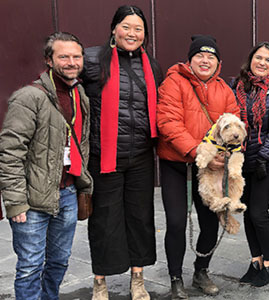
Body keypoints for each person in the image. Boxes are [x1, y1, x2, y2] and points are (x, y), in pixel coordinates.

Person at [0, 32, 92, 300]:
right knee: (29, 267)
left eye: (76, 56)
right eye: (63, 56)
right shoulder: (28, 97)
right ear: (49, 60)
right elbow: (9, 152)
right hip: (33, 199)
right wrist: (16, 202)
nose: (71, 62)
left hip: (67, 193)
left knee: (59, 262)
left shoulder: (79, 94)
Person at [80, 5, 163, 300]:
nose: (132, 33)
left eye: (138, 29)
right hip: (104, 157)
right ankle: (100, 281)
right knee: (104, 219)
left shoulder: (151, 65)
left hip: (140, 156)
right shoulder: (90, 59)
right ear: (114, 28)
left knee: (141, 219)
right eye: (126, 27)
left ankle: (137, 279)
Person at [157, 35, 239, 298]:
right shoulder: (173, 82)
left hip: (211, 168)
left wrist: (225, 155)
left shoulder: (224, 90)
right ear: (189, 60)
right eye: (200, 56)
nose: (205, 61)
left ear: (219, 62)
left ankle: (201, 271)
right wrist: (197, 151)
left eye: (211, 57)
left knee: (210, 223)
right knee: (177, 222)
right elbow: (168, 122)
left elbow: (234, 126)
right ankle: (175, 277)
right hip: (177, 165)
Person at [231, 41, 269, 287]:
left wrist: (264, 155)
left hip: (265, 161)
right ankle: (255, 260)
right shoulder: (237, 86)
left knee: (259, 212)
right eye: (258, 58)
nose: (262, 63)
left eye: (268, 60)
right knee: (247, 213)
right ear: (251, 60)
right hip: (240, 159)